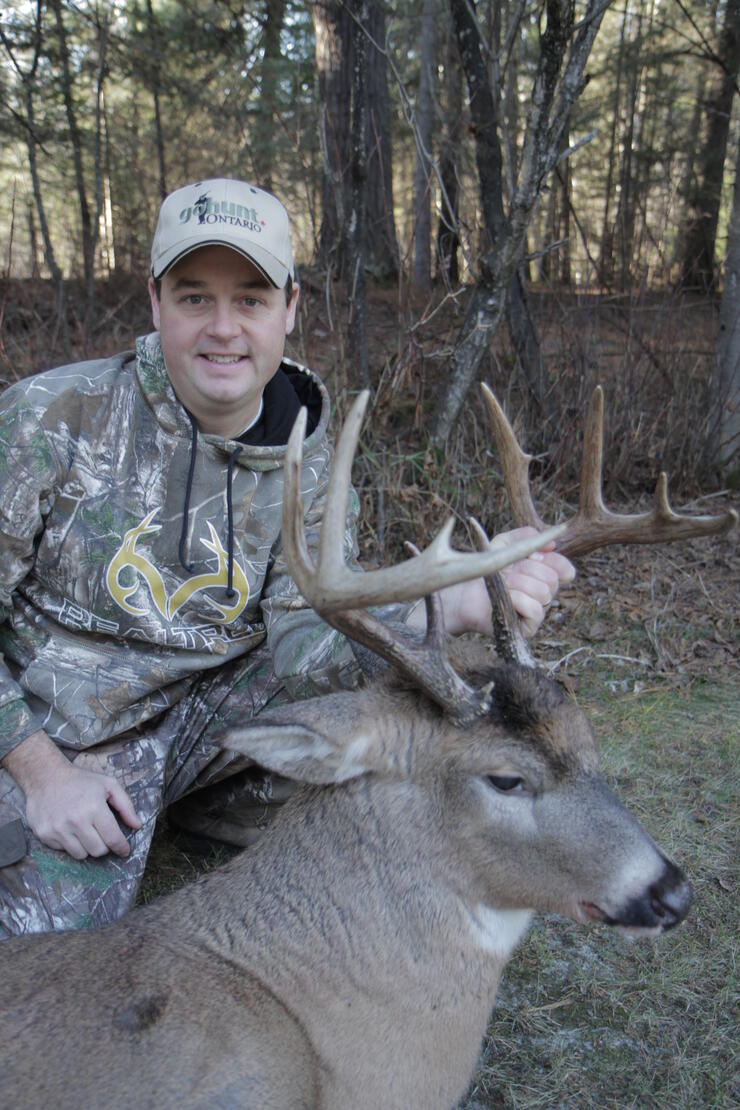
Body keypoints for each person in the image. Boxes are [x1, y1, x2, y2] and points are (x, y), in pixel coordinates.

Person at [0, 178, 574, 937]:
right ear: (156, 302)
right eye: (195, 297)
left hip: (205, 718)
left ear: (290, 309)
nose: (223, 329)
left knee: (389, 789)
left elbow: (306, 644)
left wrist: (461, 598)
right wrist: (41, 774)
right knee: (42, 953)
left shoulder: (307, 453)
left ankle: (183, 809)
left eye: (251, 299)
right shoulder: (49, 418)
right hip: (57, 729)